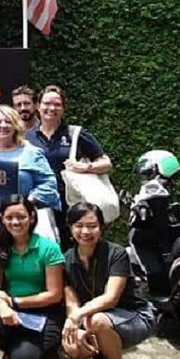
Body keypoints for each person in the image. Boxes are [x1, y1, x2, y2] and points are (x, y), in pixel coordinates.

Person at [61, 202, 154, 359]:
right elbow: (72, 301)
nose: (86, 231)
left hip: (134, 316)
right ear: (70, 227)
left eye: (92, 226)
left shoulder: (116, 253)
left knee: (97, 320)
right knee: (73, 347)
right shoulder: (68, 258)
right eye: (79, 225)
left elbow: (110, 298)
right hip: (95, 318)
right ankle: (102, 357)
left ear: (101, 227)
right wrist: (75, 328)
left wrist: (77, 317)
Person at [0, 195, 66, 359]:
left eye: (21, 217)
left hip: (45, 312)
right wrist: (3, 306)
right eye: (9, 218)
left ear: (31, 217)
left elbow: (54, 295)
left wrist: (14, 302)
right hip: (12, 311)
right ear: (1, 218)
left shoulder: (48, 248)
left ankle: (45, 353)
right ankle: (11, 351)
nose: (15, 222)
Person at [0, 105, 61, 250]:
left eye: (8, 122)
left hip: (22, 221)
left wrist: (30, 200)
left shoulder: (32, 152)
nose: (3, 126)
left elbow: (49, 183)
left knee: (21, 267)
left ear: (16, 125)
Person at [25, 85, 113, 245]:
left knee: (74, 253)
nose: (51, 108)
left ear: (64, 108)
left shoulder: (76, 134)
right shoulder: (27, 137)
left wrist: (86, 168)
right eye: (47, 103)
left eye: (57, 104)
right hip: (40, 207)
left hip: (72, 206)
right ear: (38, 106)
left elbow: (106, 163)